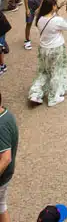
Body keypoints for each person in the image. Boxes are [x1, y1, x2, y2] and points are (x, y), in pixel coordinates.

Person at [28, 0, 67, 107]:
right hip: (56, 49)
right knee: (56, 72)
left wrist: (58, 8)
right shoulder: (57, 20)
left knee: (43, 71)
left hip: (43, 49)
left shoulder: (39, 18)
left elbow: (49, 17)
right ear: (52, 6)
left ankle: (35, 93)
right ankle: (53, 97)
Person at [0, 93, 18, 221]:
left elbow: (6, 158)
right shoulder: (6, 114)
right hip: (6, 176)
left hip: (2, 177)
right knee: (1, 206)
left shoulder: (0, 126)